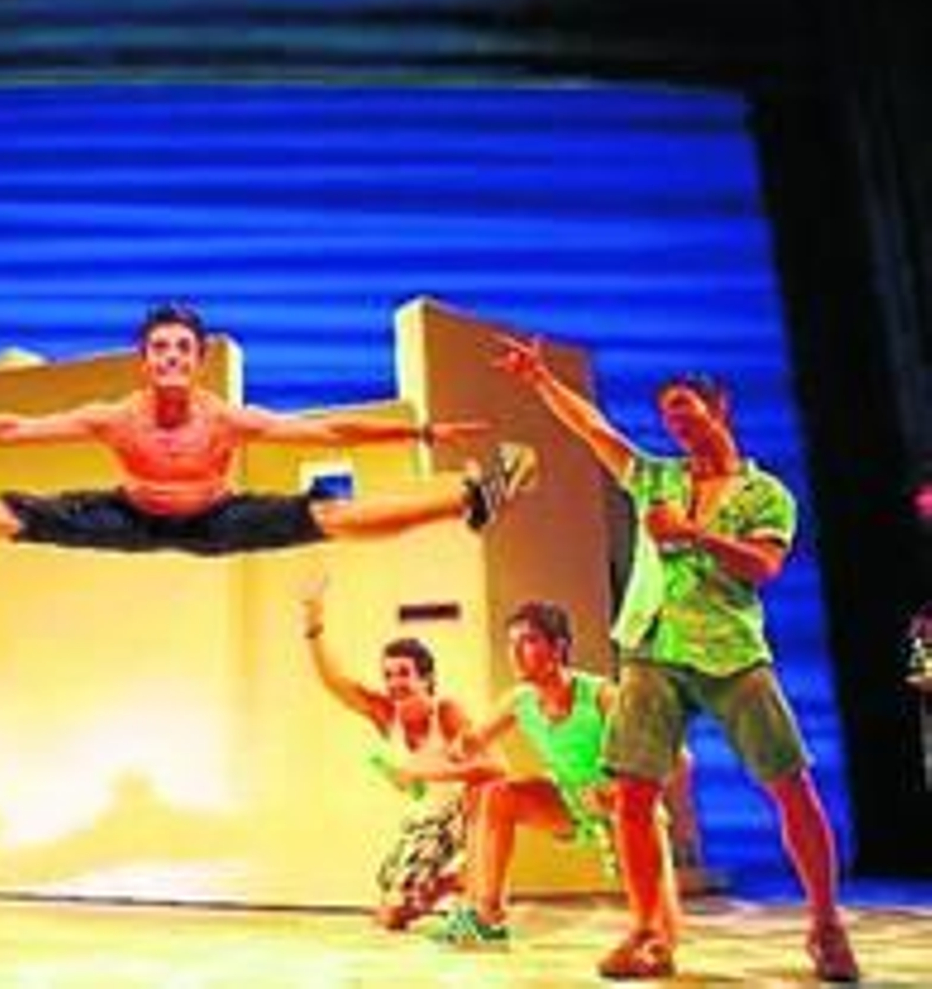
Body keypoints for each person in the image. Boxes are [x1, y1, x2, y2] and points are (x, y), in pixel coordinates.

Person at [493, 334, 859, 982]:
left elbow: (763, 566)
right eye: (667, 414)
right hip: (652, 647)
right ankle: (649, 933)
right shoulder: (657, 477)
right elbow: (595, 430)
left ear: (719, 407)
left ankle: (826, 926)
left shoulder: (764, 493)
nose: (676, 422)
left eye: (685, 407)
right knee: (631, 795)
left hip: (730, 652)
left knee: (791, 786)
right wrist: (540, 379)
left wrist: (693, 534)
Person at [0, 303, 537, 553]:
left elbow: (329, 435)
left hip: (218, 519)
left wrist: (419, 435)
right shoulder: (116, 417)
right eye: (160, 348)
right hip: (128, 516)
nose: (171, 359)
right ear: (144, 358)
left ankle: (469, 498)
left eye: (182, 349)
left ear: (198, 359)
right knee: (15, 516)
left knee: (330, 516)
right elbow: (13, 429)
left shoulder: (225, 419)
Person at [432, 600, 682, 949]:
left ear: (558, 647)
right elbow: (466, 746)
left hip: (625, 806)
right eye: (511, 643)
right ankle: (488, 918)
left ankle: (655, 930)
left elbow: (678, 757)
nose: (516, 653)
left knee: (663, 937)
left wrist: (621, 790)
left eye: (528, 641)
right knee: (495, 795)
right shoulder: (519, 701)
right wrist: (431, 749)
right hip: (570, 803)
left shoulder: (602, 695)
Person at [299, 574, 504, 930]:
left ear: (426, 678)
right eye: (389, 675)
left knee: (394, 913)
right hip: (420, 824)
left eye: (404, 674)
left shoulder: (447, 712)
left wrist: (423, 771)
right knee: (387, 914)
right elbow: (336, 682)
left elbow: (496, 767)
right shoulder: (386, 714)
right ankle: (454, 881)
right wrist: (313, 622)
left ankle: (464, 877)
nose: (395, 683)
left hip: (458, 817)